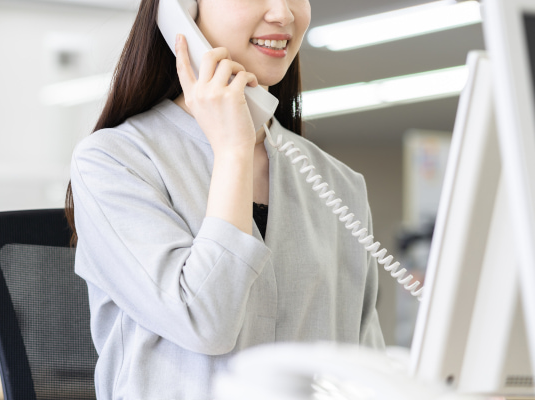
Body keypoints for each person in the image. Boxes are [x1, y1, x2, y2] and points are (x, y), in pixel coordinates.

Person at [65, 0, 385, 398]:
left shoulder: (339, 185)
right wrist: (233, 150)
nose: (282, 14)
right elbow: (205, 322)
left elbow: (365, 368)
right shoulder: (115, 161)